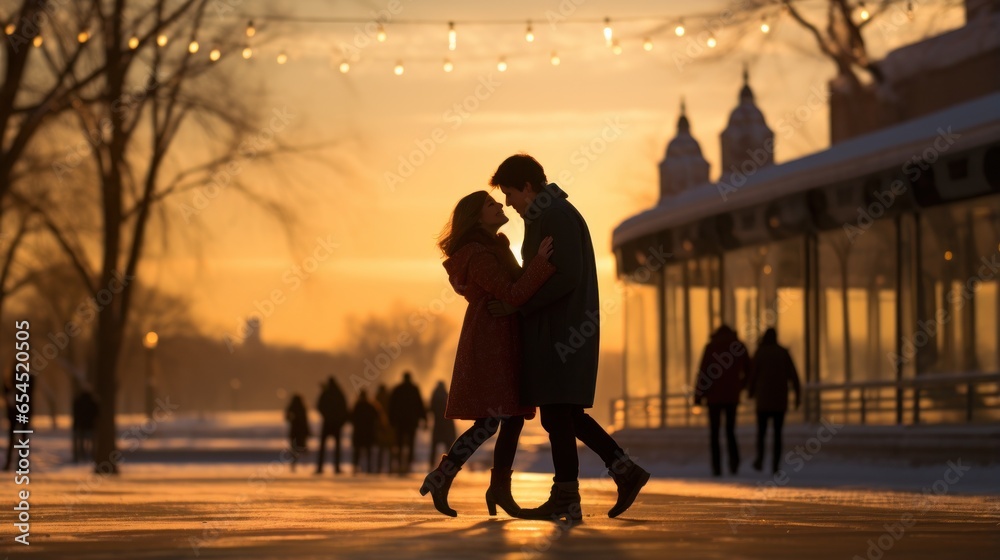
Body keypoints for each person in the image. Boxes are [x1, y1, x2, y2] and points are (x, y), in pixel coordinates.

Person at [489, 154, 650, 521]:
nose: (509, 203)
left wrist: (520, 306)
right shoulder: (544, 216)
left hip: (562, 333)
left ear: (528, 187)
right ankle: (611, 477)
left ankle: (575, 493)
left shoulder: (555, 216)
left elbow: (566, 277)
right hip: (557, 330)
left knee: (559, 414)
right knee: (562, 414)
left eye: (511, 193)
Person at [420, 190, 556, 518]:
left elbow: (513, 289)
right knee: (496, 418)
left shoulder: (493, 247)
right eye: (491, 205)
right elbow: (512, 292)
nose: (500, 206)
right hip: (491, 342)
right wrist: (540, 264)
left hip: (503, 337)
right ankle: (457, 479)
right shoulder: (478, 255)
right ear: (477, 217)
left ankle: (486, 486)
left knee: (506, 418)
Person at [694, 324, 751, 477]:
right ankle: (734, 463)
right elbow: (749, 370)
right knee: (730, 431)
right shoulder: (738, 347)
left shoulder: (711, 347)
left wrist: (699, 396)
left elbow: (704, 372)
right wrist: (741, 386)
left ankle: (717, 467)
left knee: (714, 433)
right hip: (732, 396)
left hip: (714, 397)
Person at [748, 328, 802, 474]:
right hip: (779, 401)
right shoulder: (783, 353)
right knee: (778, 434)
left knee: (761, 433)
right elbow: (794, 375)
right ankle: (775, 465)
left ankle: (760, 459)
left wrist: (750, 392)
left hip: (763, 401)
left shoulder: (760, 353)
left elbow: (753, 374)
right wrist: (798, 396)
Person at [388, 372, 426, 474]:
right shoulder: (414, 389)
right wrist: (424, 418)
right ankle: (408, 464)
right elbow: (420, 404)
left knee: (399, 443)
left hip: (400, 421)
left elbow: (391, 406)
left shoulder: (398, 389)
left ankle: (400, 463)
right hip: (411, 421)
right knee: (410, 443)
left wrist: (391, 420)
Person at [315, 376, 348, 474]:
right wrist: (341, 420)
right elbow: (344, 408)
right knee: (337, 447)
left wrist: (326, 415)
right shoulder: (339, 393)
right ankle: (336, 467)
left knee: (323, 447)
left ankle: (320, 467)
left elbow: (319, 406)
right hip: (336, 423)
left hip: (328, 423)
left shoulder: (325, 393)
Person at [350, 388, 381, 474]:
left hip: (359, 432)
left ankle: (355, 467)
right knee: (369, 452)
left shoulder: (357, 406)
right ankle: (369, 468)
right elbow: (377, 417)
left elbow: (351, 418)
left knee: (357, 452)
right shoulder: (371, 406)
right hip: (368, 432)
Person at [427, 381, 456, 470]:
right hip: (447, 425)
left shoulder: (435, 397)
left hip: (438, 425)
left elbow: (430, 409)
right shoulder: (447, 395)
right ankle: (450, 464)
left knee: (434, 445)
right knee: (449, 445)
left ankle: (431, 464)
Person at [72, 387, 99, 463]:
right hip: (90, 426)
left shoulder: (78, 402)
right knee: (92, 442)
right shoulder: (93, 402)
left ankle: (79, 456)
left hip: (80, 426)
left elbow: (76, 414)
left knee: (80, 442)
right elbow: (97, 414)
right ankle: (92, 456)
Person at [284, 393, 310, 472]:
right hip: (300, 431)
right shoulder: (302, 408)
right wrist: (307, 431)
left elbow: (287, 417)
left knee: (294, 449)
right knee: (301, 448)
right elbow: (305, 421)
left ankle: (294, 464)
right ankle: (303, 464)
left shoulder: (292, 408)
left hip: (295, 431)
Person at [374, 384, 395, 473]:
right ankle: (390, 467)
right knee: (390, 447)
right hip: (389, 426)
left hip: (380, 427)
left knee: (381, 448)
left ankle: (379, 467)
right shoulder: (389, 398)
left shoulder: (377, 399)